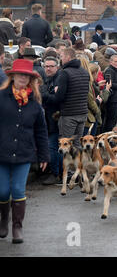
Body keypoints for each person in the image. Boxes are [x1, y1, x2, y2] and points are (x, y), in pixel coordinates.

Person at [0, 59, 49, 243]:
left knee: (18, 189)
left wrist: (44, 155)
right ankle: (4, 218)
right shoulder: (1, 96)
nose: (23, 78)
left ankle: (17, 227)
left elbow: (41, 131)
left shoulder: (35, 103)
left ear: (31, 79)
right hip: (2, 152)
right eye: (20, 74)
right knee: (3, 191)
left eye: (26, 75)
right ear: (12, 76)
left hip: (24, 152)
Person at [42, 48, 90, 149]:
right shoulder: (84, 72)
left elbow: (59, 97)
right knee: (77, 144)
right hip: (82, 113)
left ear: (68, 57)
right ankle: (78, 165)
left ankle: (64, 165)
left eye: (62, 57)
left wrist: (46, 94)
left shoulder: (65, 73)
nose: (61, 59)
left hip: (69, 115)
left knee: (65, 146)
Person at [40, 56, 62, 185]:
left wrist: (44, 94)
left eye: (51, 66)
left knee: (53, 146)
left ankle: (56, 174)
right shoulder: (48, 79)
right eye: (46, 66)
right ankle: (57, 173)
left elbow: (57, 99)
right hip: (49, 118)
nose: (48, 68)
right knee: (54, 146)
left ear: (57, 67)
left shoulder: (59, 78)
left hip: (56, 118)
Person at [103, 55, 117, 132]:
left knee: (114, 119)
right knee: (111, 120)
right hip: (112, 99)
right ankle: (108, 136)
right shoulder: (109, 70)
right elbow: (109, 84)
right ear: (111, 62)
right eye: (115, 61)